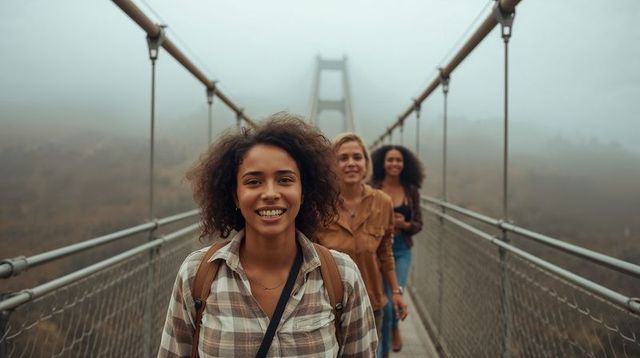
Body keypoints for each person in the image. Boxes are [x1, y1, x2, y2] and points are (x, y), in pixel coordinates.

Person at [158, 113, 378, 357]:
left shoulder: (342, 276)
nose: (271, 193)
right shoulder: (197, 275)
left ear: (303, 191)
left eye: (285, 180)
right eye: (253, 182)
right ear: (235, 196)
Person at [315, 133, 409, 354]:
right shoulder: (318, 206)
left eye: (357, 157)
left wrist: (395, 292)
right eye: (343, 158)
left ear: (366, 164)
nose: (351, 163)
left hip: (371, 299)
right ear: (332, 165)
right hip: (329, 303)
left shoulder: (383, 202)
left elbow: (385, 252)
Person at [370, 145, 425, 356]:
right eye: (390, 160)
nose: (394, 164)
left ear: (405, 164)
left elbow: (419, 224)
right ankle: (382, 352)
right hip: (376, 251)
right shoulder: (373, 188)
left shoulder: (411, 191)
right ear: (382, 163)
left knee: (395, 297)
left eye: (398, 160)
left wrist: (404, 225)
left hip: (401, 250)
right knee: (383, 303)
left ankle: (393, 327)